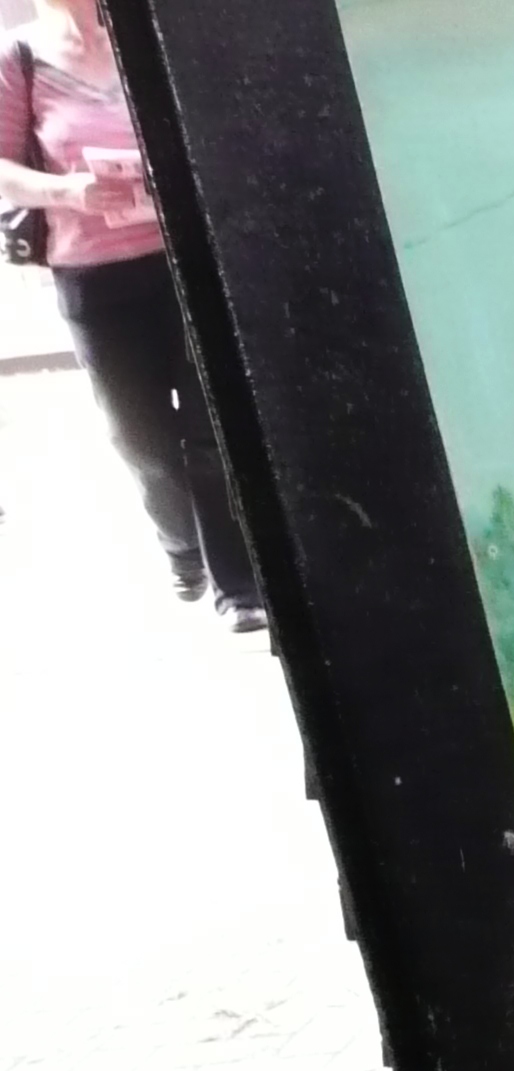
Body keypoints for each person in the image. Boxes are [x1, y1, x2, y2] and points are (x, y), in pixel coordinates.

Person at [0, 0, 267, 632]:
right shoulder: (19, 59)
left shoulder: (143, 38)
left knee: (209, 432)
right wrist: (68, 191)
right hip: (94, 279)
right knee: (141, 439)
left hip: (185, 263)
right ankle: (181, 543)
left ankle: (236, 584)